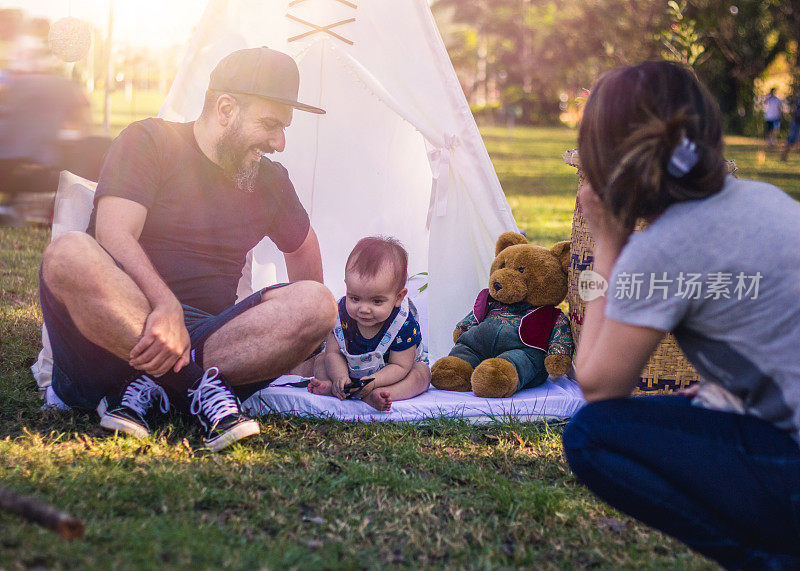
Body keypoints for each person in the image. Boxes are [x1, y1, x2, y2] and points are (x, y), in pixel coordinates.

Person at [561, 61, 800, 569]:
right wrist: (728, 393)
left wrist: (607, 242)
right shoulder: (764, 199)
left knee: (590, 434)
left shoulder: (666, 251)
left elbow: (598, 384)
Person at [39, 47, 338, 452]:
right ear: (226, 108)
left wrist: (315, 346)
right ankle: (198, 389)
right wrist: (165, 306)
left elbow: (303, 250)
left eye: (284, 128)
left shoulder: (268, 181)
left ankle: (159, 386)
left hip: (212, 338)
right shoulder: (149, 140)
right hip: (114, 336)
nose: (279, 142)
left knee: (318, 303)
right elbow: (113, 232)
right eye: (270, 124)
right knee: (68, 253)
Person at [307, 236, 431, 411]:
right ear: (347, 287)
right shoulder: (341, 313)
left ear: (398, 297)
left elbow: (400, 366)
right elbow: (333, 353)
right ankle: (336, 387)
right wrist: (340, 376)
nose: (364, 309)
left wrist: (373, 383)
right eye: (355, 298)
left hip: (389, 376)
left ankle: (380, 395)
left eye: (377, 301)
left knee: (421, 375)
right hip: (348, 372)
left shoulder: (403, 323)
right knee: (321, 360)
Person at [780, 95, 800, 161]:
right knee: (791, 141)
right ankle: (783, 158)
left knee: (791, 140)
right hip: (797, 122)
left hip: (797, 121)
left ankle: (783, 158)